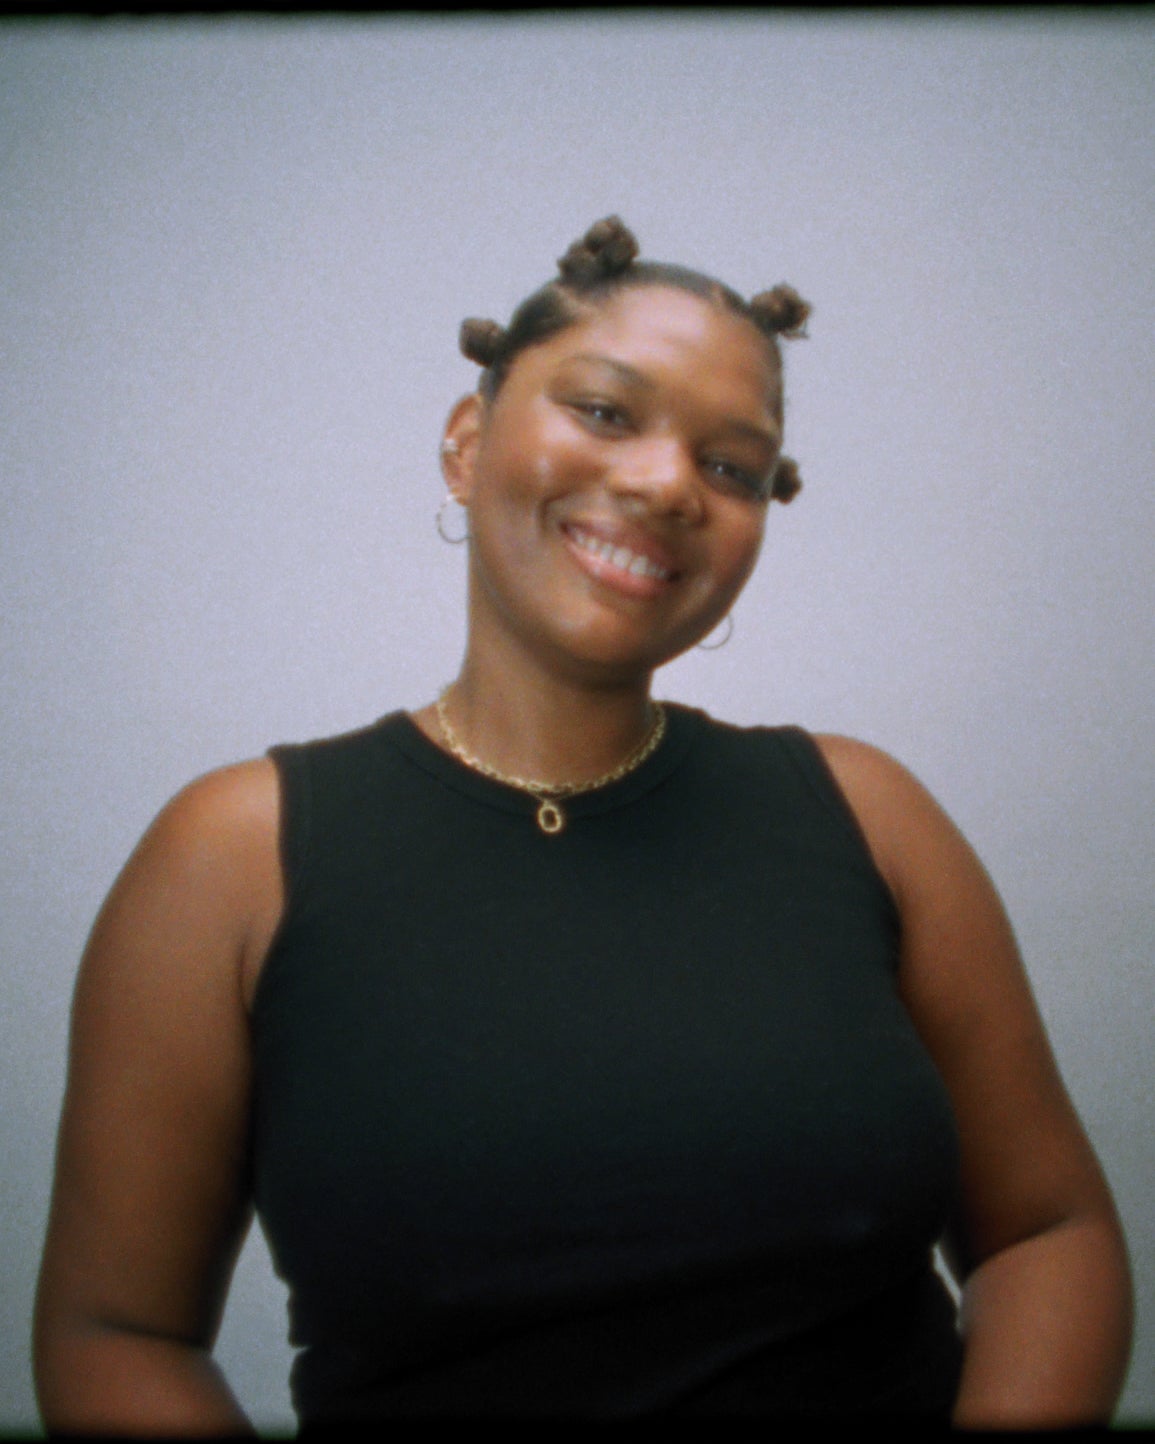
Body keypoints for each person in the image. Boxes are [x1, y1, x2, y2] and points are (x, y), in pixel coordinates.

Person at [34, 217, 1132, 1428]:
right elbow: (116, 1332)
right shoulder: (235, 859)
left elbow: (1048, 1232)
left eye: (733, 467)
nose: (667, 484)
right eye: (607, 411)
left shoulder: (868, 816)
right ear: (466, 442)